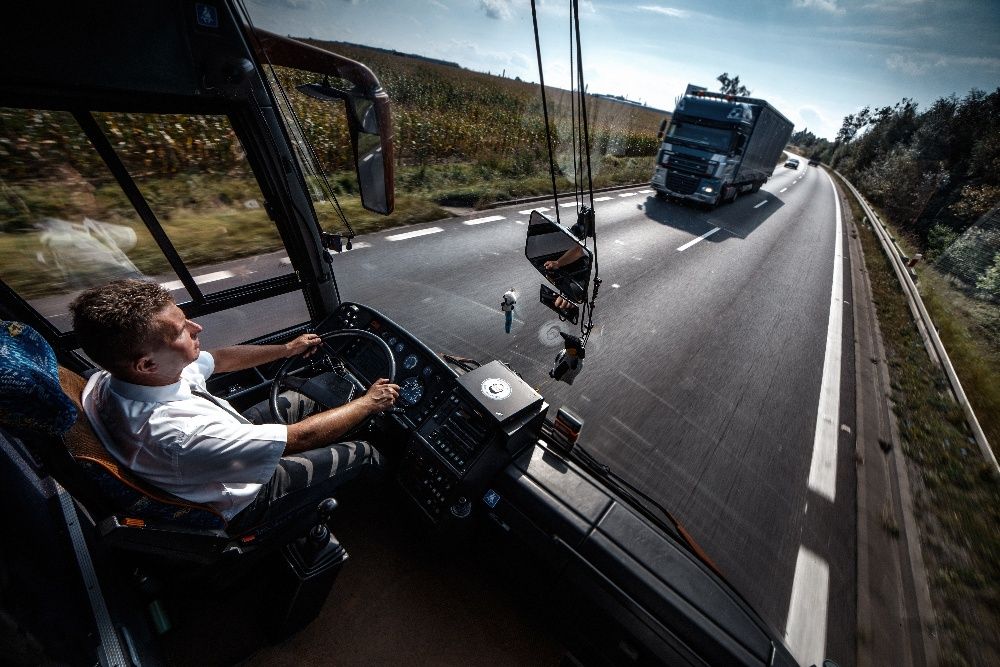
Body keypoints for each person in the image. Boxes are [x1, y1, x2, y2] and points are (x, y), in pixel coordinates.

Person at [69, 278, 398, 530]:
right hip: (245, 496)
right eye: (181, 331)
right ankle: (389, 504)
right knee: (364, 452)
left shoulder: (117, 380)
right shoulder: (177, 432)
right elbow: (301, 439)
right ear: (146, 363)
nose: (197, 328)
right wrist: (369, 402)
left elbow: (222, 359)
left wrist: (286, 349)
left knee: (307, 397)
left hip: (221, 446)